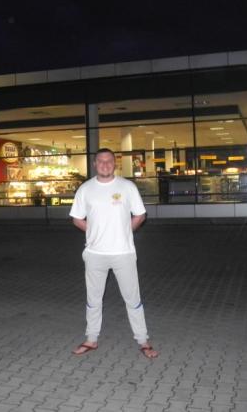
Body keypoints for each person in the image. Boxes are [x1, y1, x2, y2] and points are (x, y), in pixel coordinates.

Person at [69, 148, 159, 359]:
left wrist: (125, 231)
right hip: (94, 254)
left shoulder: (127, 187)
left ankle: (143, 341)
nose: (105, 164)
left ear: (115, 163)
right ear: (95, 164)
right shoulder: (85, 189)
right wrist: (92, 232)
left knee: (133, 299)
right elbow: (76, 218)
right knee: (93, 299)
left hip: (123, 253)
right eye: (101, 161)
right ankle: (91, 339)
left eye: (109, 161)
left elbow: (140, 215)